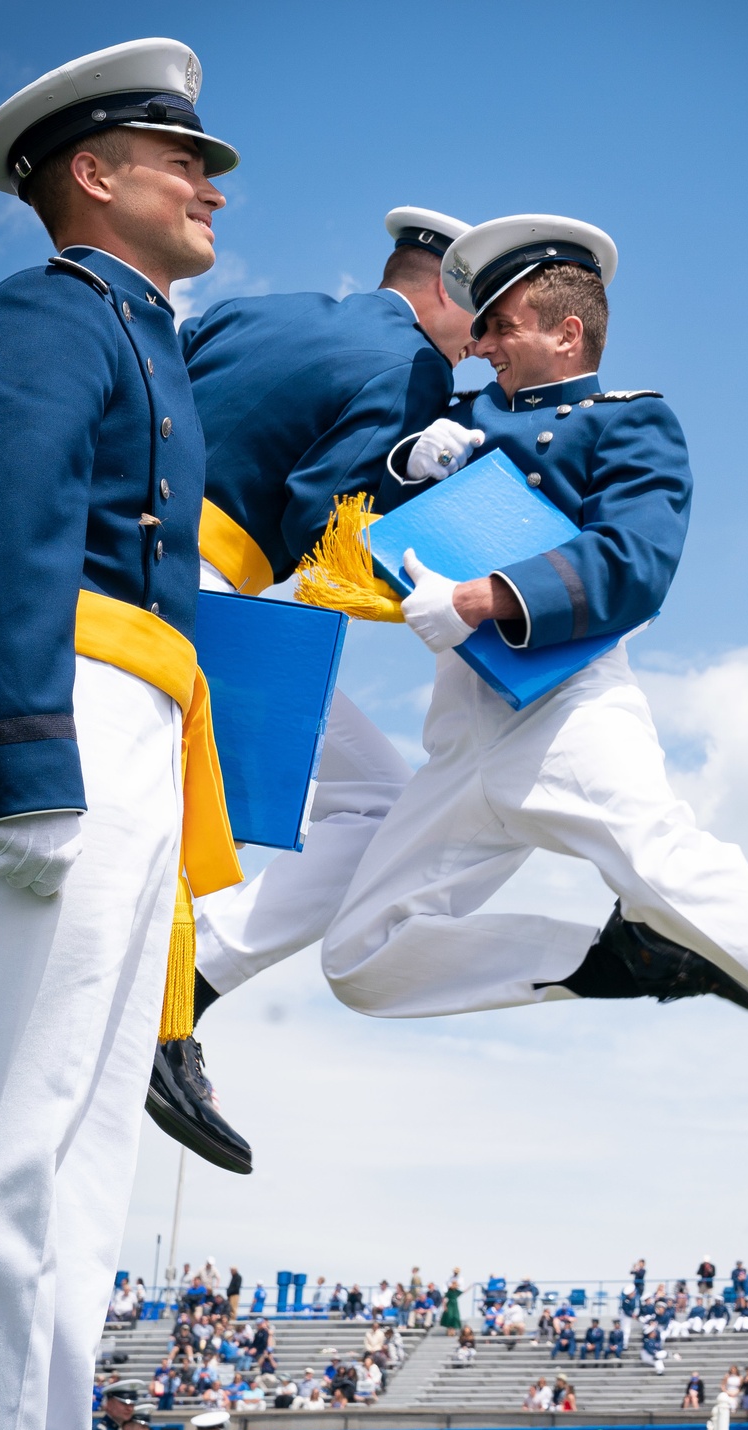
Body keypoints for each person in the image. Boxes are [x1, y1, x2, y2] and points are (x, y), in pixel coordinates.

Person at [320, 211, 748, 1186]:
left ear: (564, 334)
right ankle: (618, 963)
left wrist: (486, 595)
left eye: (498, 325)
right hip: (462, 740)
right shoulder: (457, 418)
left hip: (568, 708)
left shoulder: (628, 421)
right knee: (359, 962)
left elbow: (634, 563)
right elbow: (355, 507)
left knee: (669, 867)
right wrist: (403, 465)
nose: (480, 343)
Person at [0, 38, 242, 1430]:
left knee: (87, 1164)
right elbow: (7, 522)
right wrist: (20, 755)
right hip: (68, 713)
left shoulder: (143, 330)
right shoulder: (48, 315)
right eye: (181, 160)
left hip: (140, 723)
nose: (208, 186)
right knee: (19, 1139)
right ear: (93, 175)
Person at [148, 206, 475, 1174]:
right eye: (482, 312)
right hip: (199, 595)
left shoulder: (264, 309)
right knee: (376, 805)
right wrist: (450, 581)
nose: (481, 346)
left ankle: (177, 998)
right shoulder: (417, 369)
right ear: (445, 293)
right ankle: (177, 1011)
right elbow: (329, 526)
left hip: (114, 566)